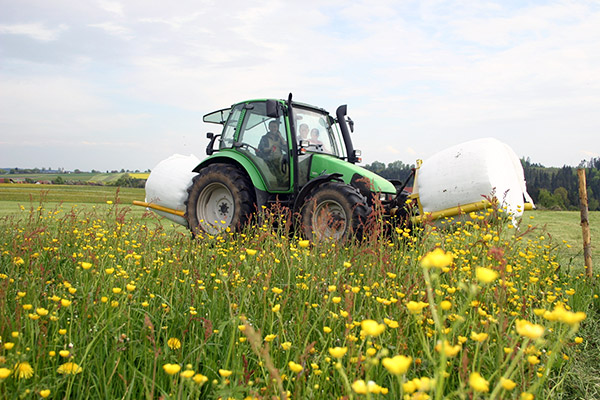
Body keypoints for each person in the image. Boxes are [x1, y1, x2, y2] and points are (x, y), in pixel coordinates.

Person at [257, 120, 287, 185]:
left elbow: (286, 149)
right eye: (272, 127)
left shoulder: (279, 138)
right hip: (269, 160)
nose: (273, 128)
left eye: (275, 127)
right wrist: (269, 149)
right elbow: (260, 150)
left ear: (277, 128)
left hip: (280, 160)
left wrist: (281, 138)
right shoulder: (264, 138)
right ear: (269, 128)